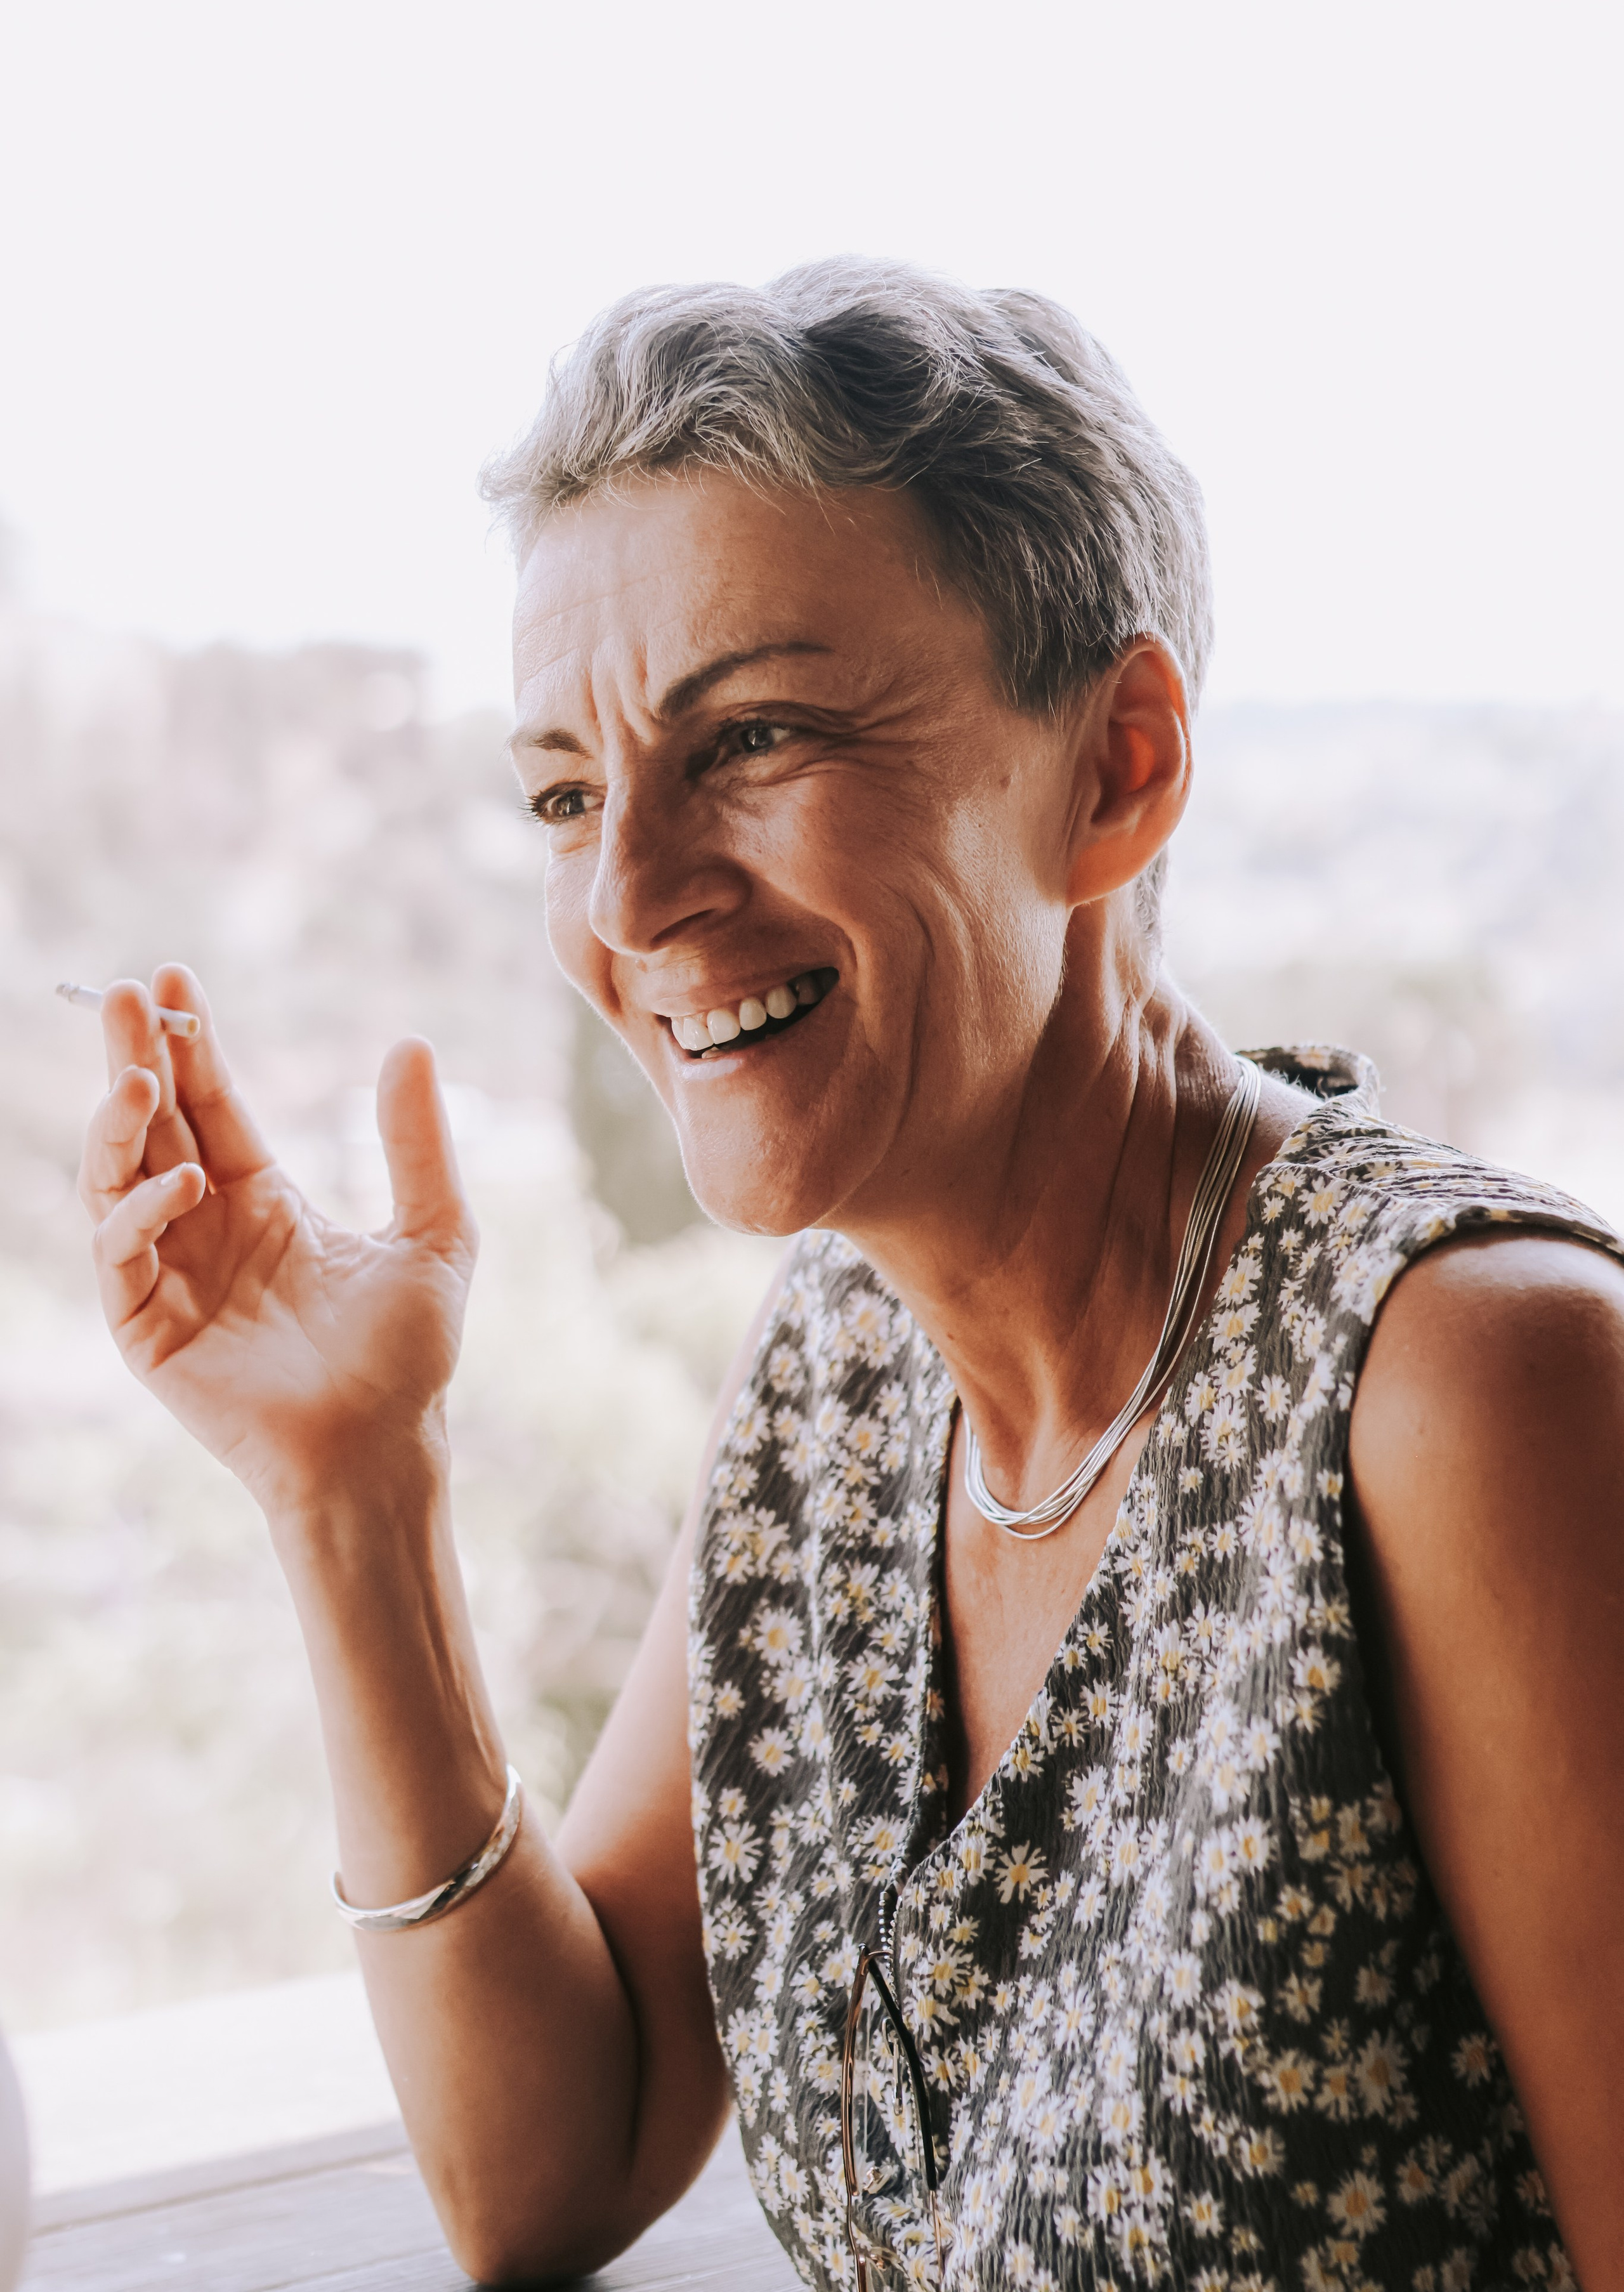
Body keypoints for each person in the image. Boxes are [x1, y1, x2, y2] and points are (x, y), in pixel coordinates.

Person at [76, 262, 1623, 2292]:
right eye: (564, 793)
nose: (628, 891)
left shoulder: (1477, 1386)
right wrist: (350, 1496)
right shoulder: (838, 1376)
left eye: (758, 736)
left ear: (1118, 766)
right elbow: (557, 2151)